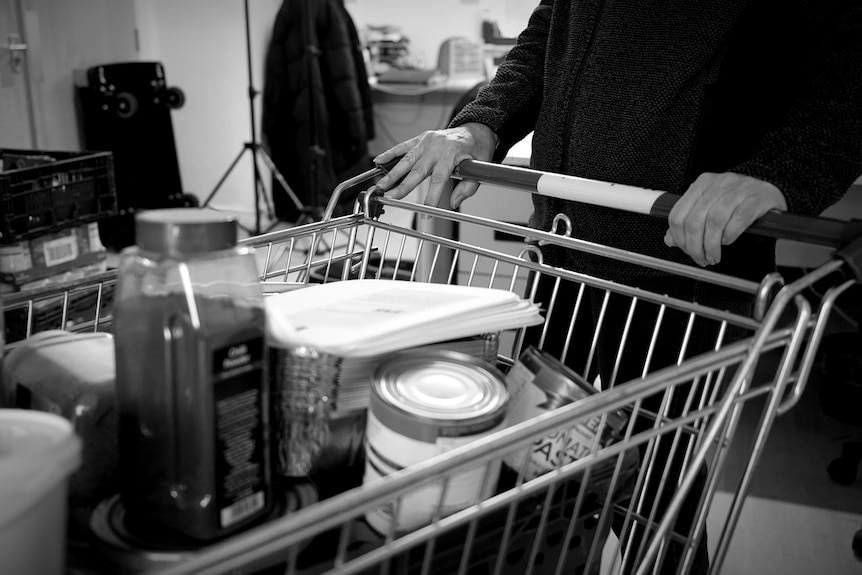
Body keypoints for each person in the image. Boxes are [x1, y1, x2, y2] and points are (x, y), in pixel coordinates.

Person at [369, 1, 862, 573]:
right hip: (566, 251)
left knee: (655, 505)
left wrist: (780, 171)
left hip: (681, 274)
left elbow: (850, 64)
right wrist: (482, 122)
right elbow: (551, 32)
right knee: (527, 478)